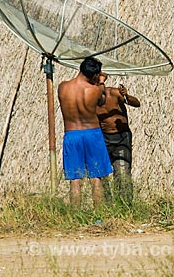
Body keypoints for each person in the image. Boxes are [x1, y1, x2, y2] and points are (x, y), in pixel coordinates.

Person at [58, 57, 112, 208]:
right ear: (94, 75)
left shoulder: (62, 87)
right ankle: (99, 215)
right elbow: (102, 101)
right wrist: (101, 82)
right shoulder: (95, 90)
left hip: (72, 134)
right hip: (92, 133)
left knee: (75, 179)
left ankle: (75, 217)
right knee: (96, 177)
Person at [96, 78, 140, 206]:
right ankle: (107, 205)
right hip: (104, 138)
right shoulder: (91, 101)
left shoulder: (114, 93)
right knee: (102, 174)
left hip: (121, 137)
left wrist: (126, 95)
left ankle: (125, 205)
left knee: (122, 172)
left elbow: (136, 103)